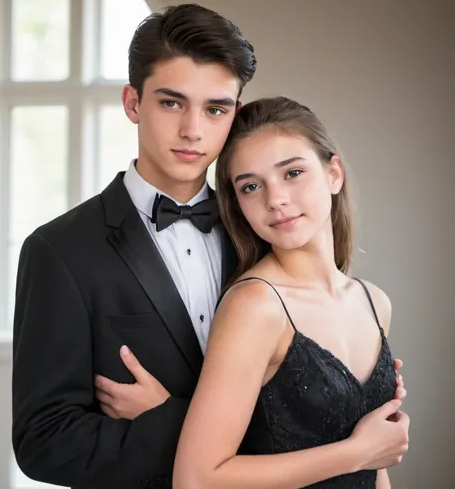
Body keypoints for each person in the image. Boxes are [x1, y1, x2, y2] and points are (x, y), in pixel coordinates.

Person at [12, 3, 406, 489]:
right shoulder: (60, 251)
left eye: (215, 108)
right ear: (133, 103)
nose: (193, 130)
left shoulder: (267, 230)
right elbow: (43, 442)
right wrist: (176, 423)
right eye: (171, 103)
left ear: (234, 112)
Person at [173, 96, 410, 488]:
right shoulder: (255, 306)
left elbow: (377, 465)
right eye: (251, 186)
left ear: (334, 173)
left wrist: (371, 454)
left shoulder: (374, 302)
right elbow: (196, 478)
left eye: (293, 173)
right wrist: (356, 453)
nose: (275, 199)